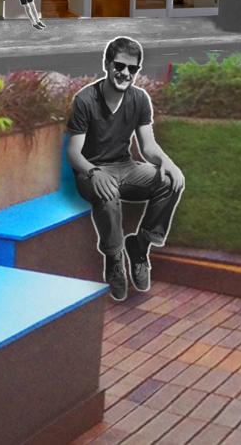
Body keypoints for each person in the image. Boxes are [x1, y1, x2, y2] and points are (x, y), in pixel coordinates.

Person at [65, 36, 186, 301]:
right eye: (120, 66)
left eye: (133, 69)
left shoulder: (139, 99)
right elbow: (74, 153)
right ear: (107, 64)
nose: (125, 73)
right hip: (92, 171)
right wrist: (93, 172)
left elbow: (148, 146)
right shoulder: (86, 99)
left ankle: (139, 245)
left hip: (125, 166)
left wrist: (168, 163)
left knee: (170, 181)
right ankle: (114, 259)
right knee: (108, 193)